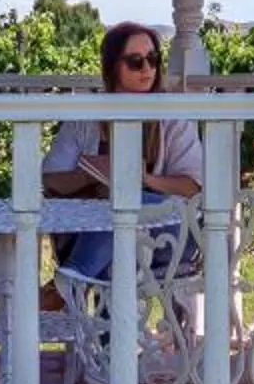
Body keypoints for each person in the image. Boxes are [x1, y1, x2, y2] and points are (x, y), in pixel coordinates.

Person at [42, 20, 202, 284]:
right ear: (113, 66)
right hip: (101, 237)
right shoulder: (86, 120)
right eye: (135, 62)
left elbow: (193, 187)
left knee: (123, 203)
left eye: (153, 59)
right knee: (115, 255)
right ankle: (75, 294)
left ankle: (65, 285)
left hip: (170, 237)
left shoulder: (172, 117)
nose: (148, 69)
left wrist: (145, 180)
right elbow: (50, 179)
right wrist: (90, 174)